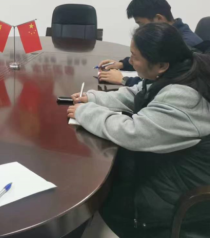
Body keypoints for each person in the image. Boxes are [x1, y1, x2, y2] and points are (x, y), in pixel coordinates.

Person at [67, 23, 210, 237]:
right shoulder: (179, 69)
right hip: (173, 164)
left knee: (97, 186)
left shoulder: (184, 98)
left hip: (178, 195)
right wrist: (94, 98)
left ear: (161, 65)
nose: (130, 62)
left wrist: (86, 113)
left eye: (135, 57)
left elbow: (133, 133)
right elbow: (138, 93)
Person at [98, 0, 203, 86]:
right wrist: (123, 64)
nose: (140, 30)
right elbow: (151, 59)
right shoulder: (166, 38)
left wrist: (124, 80)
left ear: (159, 18)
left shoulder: (184, 45)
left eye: (141, 24)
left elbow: (165, 82)